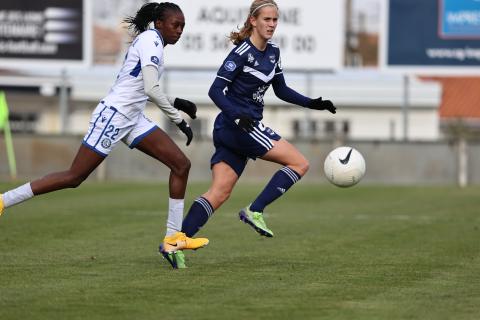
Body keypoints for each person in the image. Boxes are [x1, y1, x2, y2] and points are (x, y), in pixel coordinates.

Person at [0, 2, 208, 269]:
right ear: (159, 24)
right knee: (74, 177)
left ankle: (172, 238)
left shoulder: (153, 42)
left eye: (182, 26)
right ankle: (5, 200)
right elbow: (151, 88)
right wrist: (177, 118)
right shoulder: (151, 41)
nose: (179, 30)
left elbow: (140, 86)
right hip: (115, 115)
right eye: (175, 25)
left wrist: (178, 101)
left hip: (132, 117)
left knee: (181, 165)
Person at [180, 0, 336, 243]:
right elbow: (215, 90)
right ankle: (256, 210)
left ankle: (177, 241)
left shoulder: (273, 52)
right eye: (267, 19)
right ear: (253, 20)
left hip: (233, 128)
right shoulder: (241, 53)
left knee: (219, 192)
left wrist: (312, 103)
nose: (272, 24)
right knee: (299, 164)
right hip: (239, 126)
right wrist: (238, 116)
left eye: (275, 20)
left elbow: (281, 90)